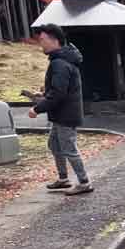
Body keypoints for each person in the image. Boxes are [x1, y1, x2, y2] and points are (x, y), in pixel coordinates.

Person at [29, 24, 93, 195]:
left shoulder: (60, 63)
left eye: (42, 39)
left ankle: (84, 182)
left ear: (54, 40)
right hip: (61, 114)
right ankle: (63, 178)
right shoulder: (61, 60)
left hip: (65, 115)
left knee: (69, 149)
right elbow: (58, 89)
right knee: (54, 145)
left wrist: (37, 108)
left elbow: (58, 94)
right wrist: (44, 93)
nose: (40, 43)